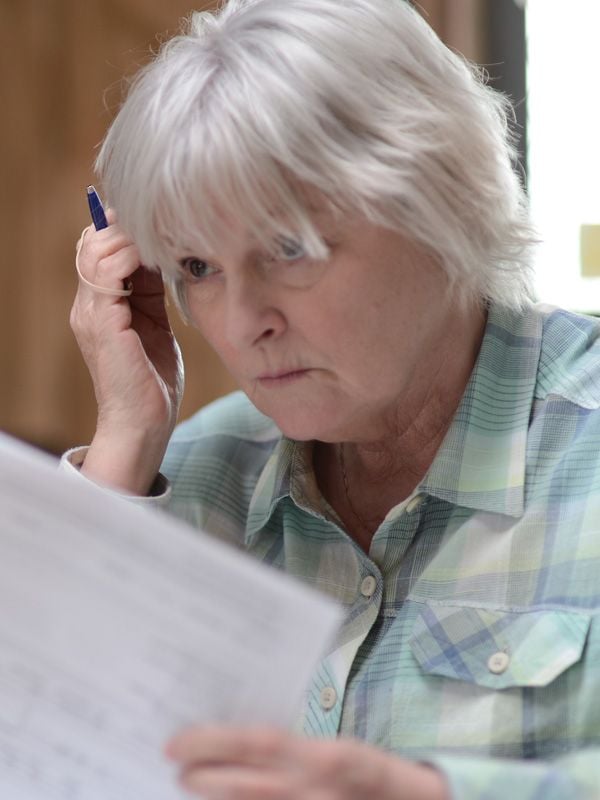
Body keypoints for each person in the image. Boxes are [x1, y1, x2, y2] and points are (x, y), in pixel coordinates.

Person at [66, 0, 600, 797]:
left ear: (442, 203)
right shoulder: (187, 476)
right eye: (198, 268)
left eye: (288, 248)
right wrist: (122, 447)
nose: (246, 325)